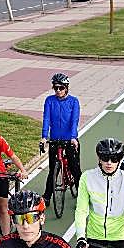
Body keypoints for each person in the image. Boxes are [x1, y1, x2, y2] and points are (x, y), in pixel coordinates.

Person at [40, 73, 82, 204]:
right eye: (55, 88)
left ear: (66, 88)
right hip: (54, 139)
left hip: (70, 139)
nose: (58, 90)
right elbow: (46, 119)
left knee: (75, 170)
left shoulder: (74, 101)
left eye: (61, 88)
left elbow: (74, 121)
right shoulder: (49, 100)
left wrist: (73, 137)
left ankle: (83, 197)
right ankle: (47, 196)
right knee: (53, 170)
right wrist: (44, 137)